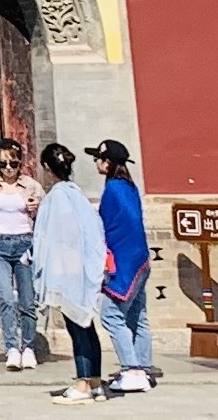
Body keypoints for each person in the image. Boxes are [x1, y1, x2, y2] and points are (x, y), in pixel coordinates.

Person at [34, 142, 109, 398]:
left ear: (47, 167)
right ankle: (96, 381)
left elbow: (58, 236)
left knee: (77, 327)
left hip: (68, 270)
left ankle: (83, 383)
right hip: (83, 267)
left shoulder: (57, 197)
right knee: (86, 325)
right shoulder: (76, 193)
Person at [0, 138, 48, 371]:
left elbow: (46, 216)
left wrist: (37, 209)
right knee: (5, 298)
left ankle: (29, 347)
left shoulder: (32, 186)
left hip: (25, 244)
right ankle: (12, 348)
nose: (8, 169)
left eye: (12, 164)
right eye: (2, 164)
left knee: (27, 300)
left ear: (20, 163)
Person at [91, 138, 156, 395]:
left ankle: (131, 370)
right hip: (140, 260)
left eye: (99, 158)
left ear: (107, 163)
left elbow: (107, 227)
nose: (96, 162)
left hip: (123, 262)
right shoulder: (129, 187)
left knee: (111, 316)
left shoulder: (113, 190)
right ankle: (144, 367)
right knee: (138, 316)